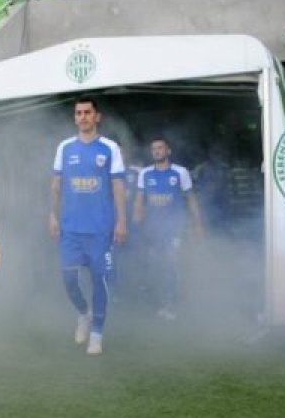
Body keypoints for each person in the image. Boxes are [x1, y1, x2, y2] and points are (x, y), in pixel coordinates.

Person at [49, 98, 127, 355]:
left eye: (87, 112)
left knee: (99, 280)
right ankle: (84, 314)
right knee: (69, 280)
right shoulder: (64, 147)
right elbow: (57, 185)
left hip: (100, 229)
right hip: (71, 228)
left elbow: (118, 186)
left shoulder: (110, 148)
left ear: (97, 117)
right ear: (75, 118)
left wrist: (121, 220)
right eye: (78, 113)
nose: (82, 117)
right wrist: (52, 215)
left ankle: (96, 334)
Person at [133, 137, 204, 320]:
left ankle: (171, 304)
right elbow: (140, 199)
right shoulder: (145, 174)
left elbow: (191, 199)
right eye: (153, 149)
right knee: (154, 266)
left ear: (168, 151)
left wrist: (197, 225)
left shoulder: (180, 172)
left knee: (171, 264)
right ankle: (157, 303)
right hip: (152, 229)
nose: (156, 151)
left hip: (174, 228)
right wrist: (136, 219)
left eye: (160, 148)